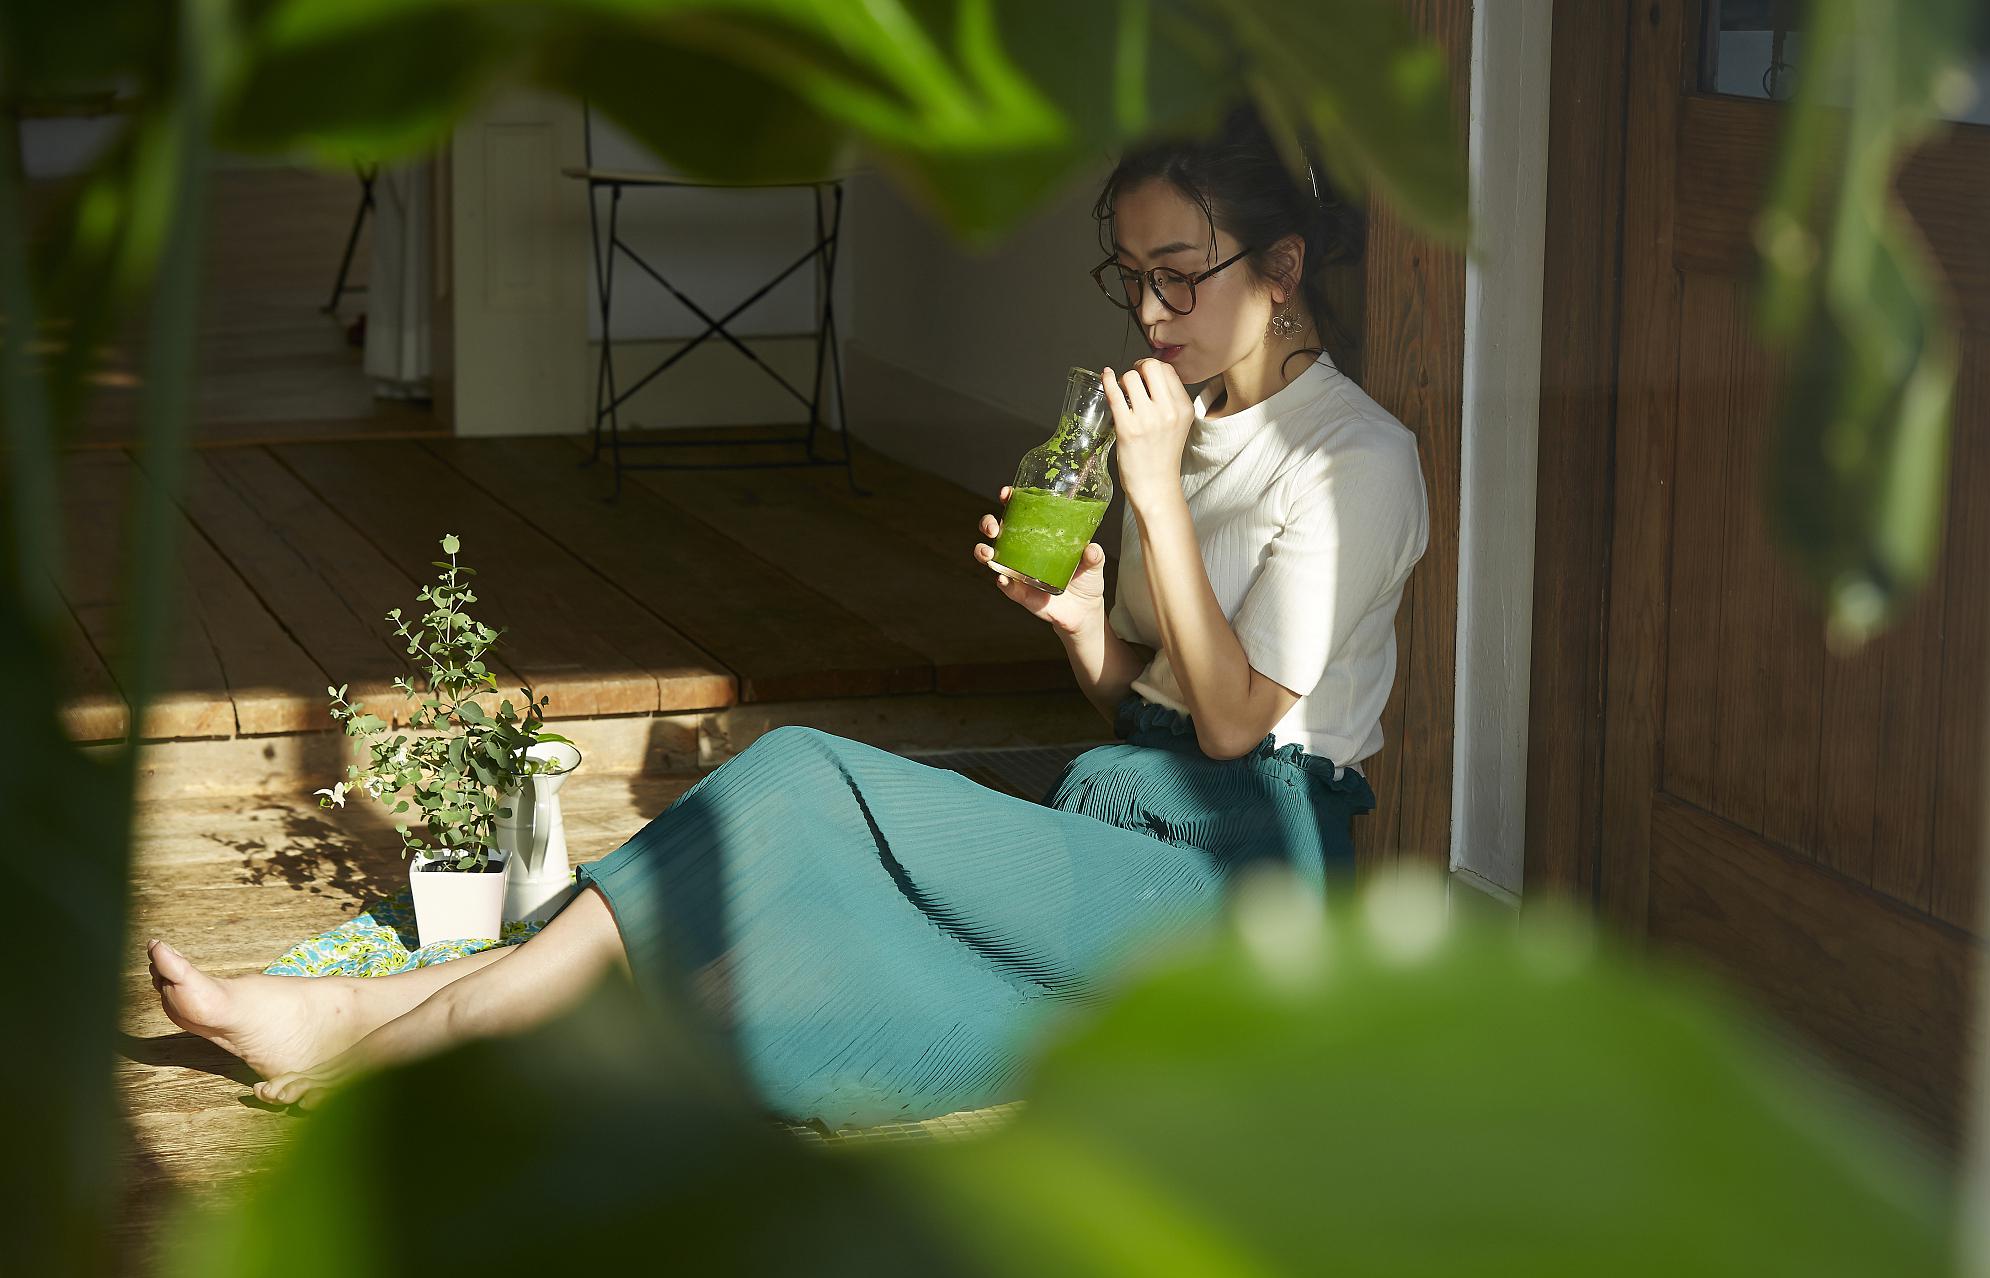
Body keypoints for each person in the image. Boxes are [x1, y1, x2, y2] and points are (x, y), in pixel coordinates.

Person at [145, 105, 1430, 1129]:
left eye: (1176, 278)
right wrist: (1085, 623)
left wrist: (1147, 501)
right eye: (1129, 277)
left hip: (1238, 879)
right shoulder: (1189, 425)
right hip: (1131, 810)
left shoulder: (1350, 460)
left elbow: (1230, 734)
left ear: (1282, 269)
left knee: (807, 783)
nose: (1148, 314)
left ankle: (425, 1036)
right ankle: (386, 1015)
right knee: (805, 864)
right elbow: (1142, 708)